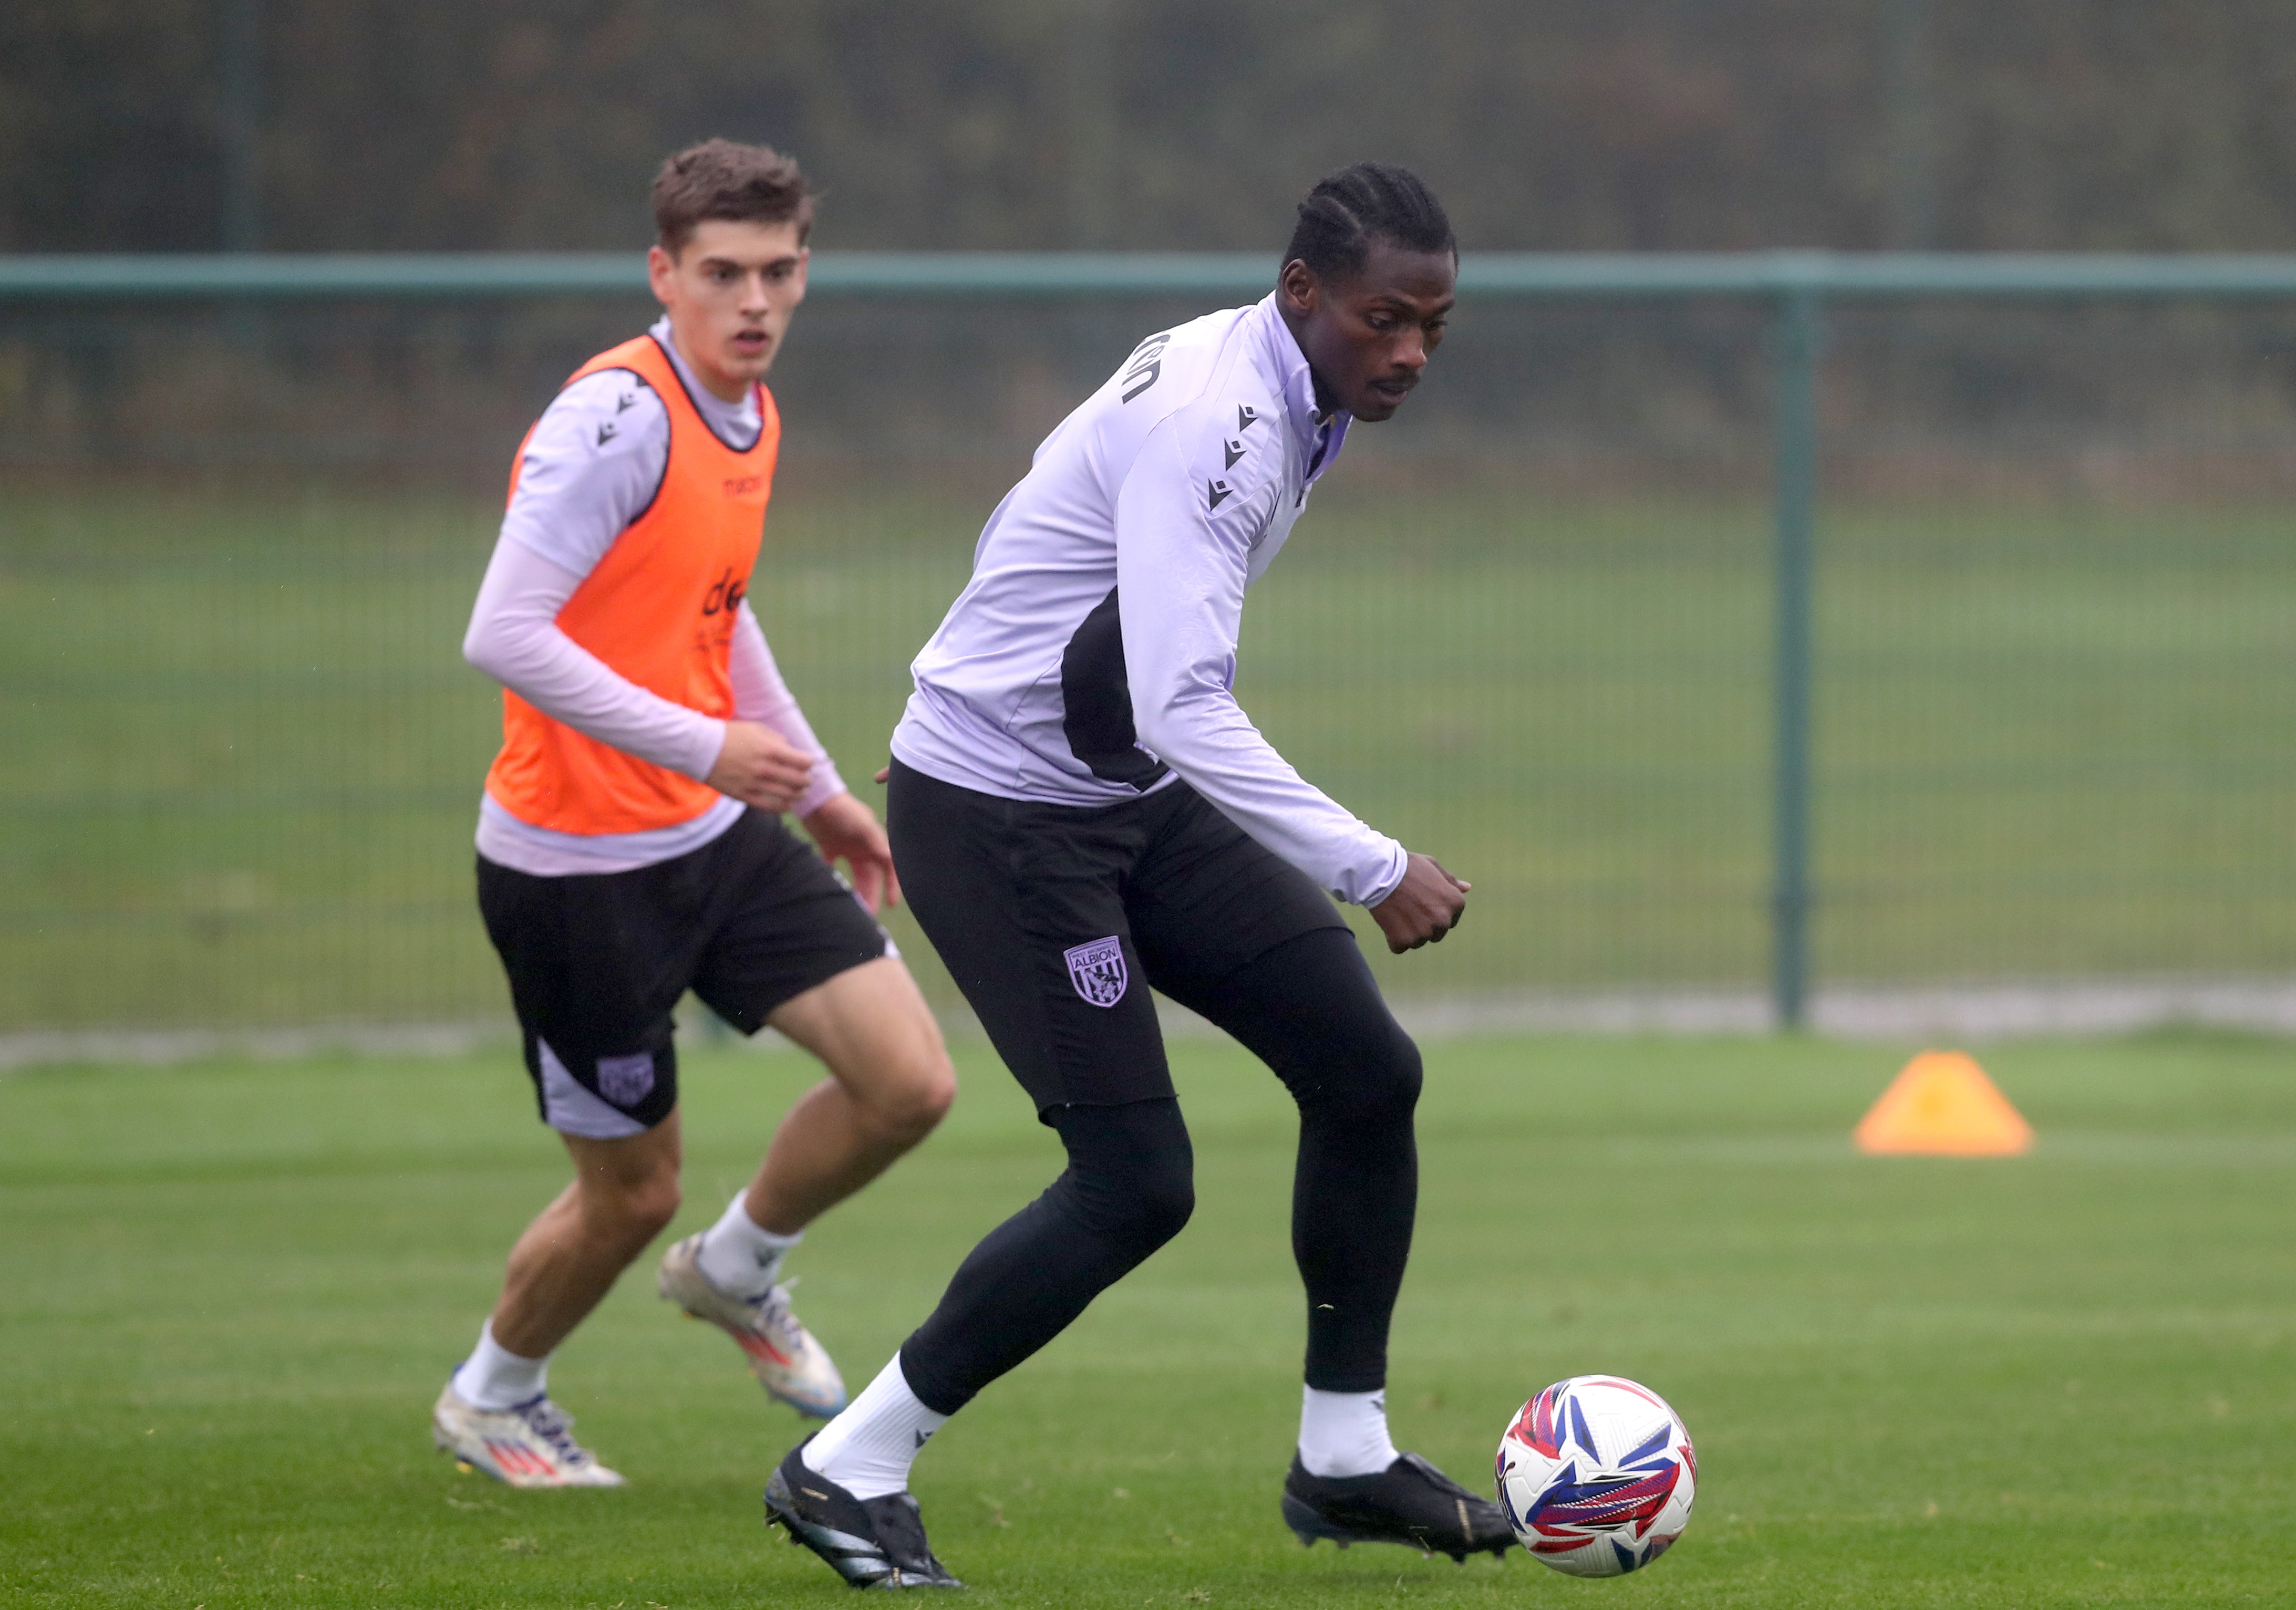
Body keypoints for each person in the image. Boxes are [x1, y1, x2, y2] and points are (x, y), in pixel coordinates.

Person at [761, 162, 1513, 1587]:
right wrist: (1371, 865)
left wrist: (985, 668)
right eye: (1381, 319)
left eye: (1432, 323)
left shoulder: (1282, 379)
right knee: (1133, 1182)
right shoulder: (1217, 425)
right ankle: (844, 1466)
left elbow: (1057, 561)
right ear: (1300, 294)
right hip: (1003, 820)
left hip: (1121, 797)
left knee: (1363, 1073)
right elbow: (1178, 701)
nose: (1409, 350)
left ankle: (1343, 1458)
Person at [431, 140, 955, 1489]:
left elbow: (715, 616)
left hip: (709, 840)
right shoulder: (618, 415)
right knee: (631, 1193)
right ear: (664, 273)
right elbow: (503, 630)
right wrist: (708, 748)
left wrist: (820, 786)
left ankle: (736, 1272)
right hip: (574, 872)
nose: (755, 301)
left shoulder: (751, 412)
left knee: (909, 1082)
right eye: (722, 273)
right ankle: (495, 1396)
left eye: (779, 271)